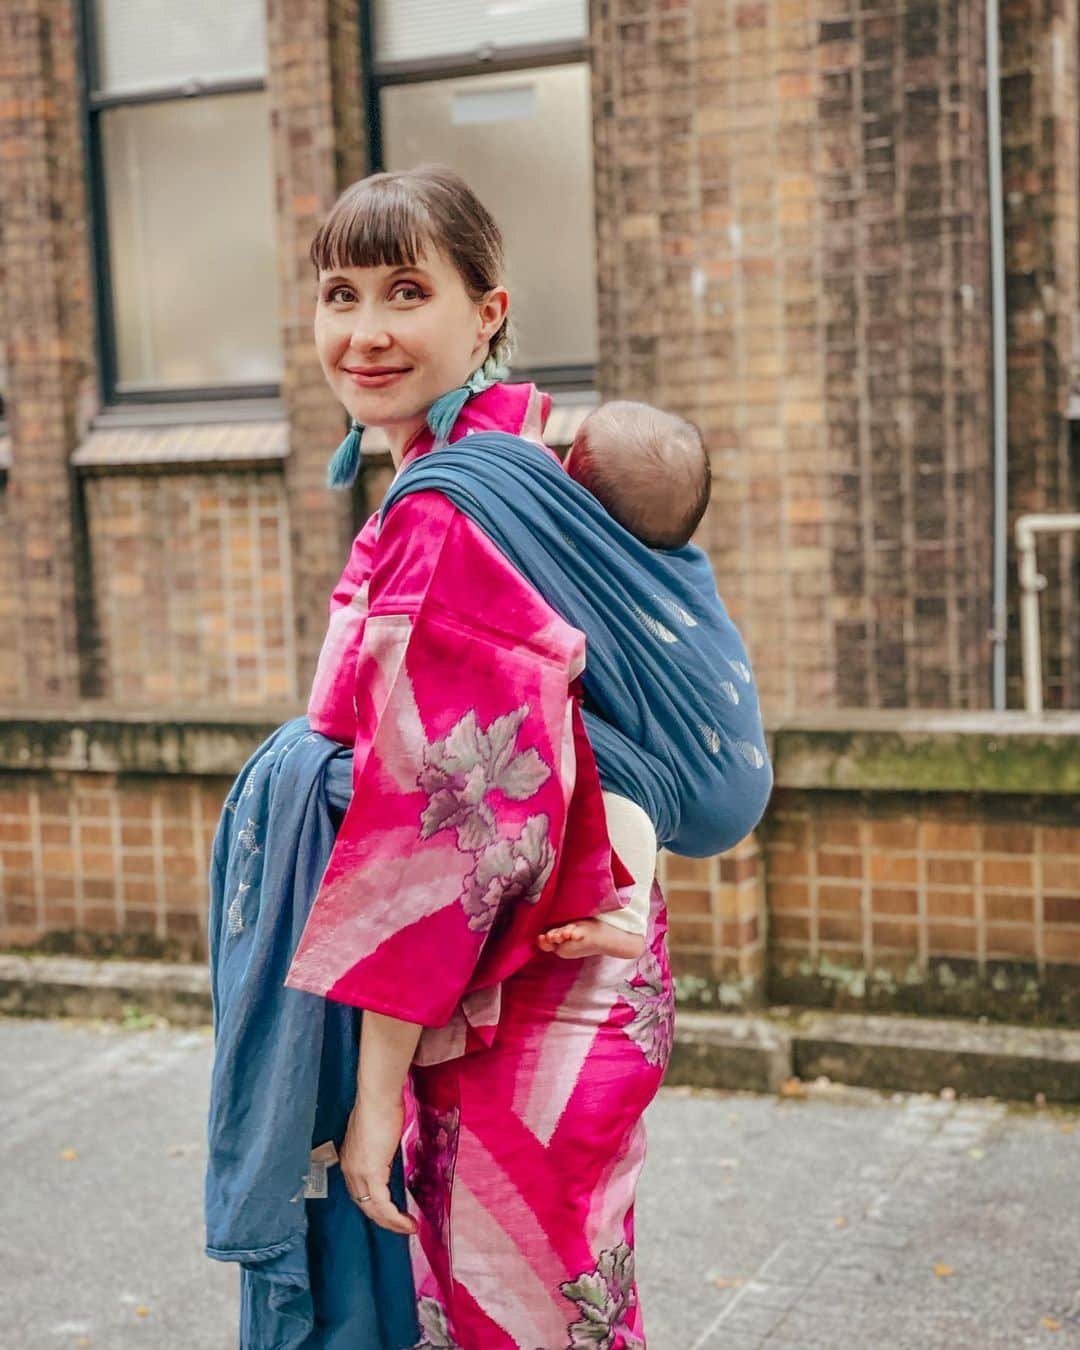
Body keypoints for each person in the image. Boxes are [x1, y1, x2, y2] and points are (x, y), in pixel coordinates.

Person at [236, 163, 769, 1349]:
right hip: (573, 975)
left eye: (407, 291)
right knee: (572, 1306)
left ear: (487, 312)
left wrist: (373, 1099)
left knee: (514, 1321)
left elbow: (443, 836)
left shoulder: (452, 511)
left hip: (507, 999)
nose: (364, 332)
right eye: (340, 294)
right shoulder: (527, 456)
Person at [538, 401, 713, 964]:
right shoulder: (676, 568)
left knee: (624, 799)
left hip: (631, 778)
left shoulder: (599, 571)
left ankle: (624, 922)